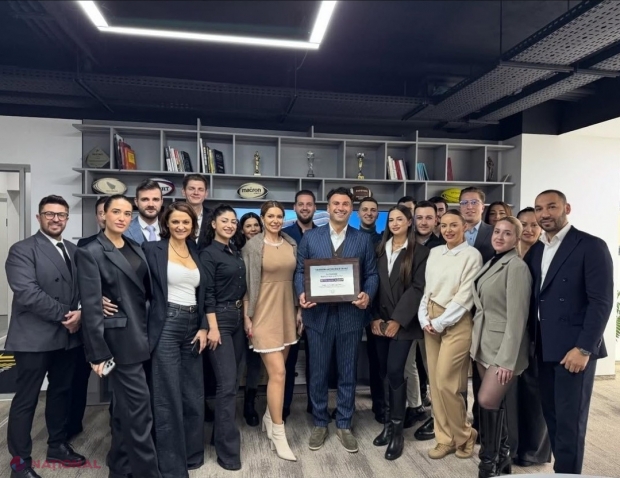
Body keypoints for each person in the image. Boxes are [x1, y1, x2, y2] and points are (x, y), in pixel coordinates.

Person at [524, 190, 613, 474]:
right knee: (552, 417)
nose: (545, 214)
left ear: (567, 208)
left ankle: (568, 474)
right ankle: (561, 471)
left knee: (570, 423)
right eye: (539, 208)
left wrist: (584, 348)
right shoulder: (537, 249)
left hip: (573, 349)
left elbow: (601, 302)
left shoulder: (590, 245)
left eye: (551, 207)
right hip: (543, 346)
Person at [75, 195, 160, 478]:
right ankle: (148, 472)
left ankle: (120, 467)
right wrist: (97, 353)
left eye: (127, 213)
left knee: (125, 409)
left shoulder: (135, 246)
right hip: (118, 341)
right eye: (116, 212)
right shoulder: (91, 251)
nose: (122, 218)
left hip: (142, 333)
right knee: (140, 411)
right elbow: (91, 307)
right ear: (104, 215)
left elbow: (144, 291)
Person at [5, 195, 86, 478]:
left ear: (67, 218)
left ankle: (57, 446)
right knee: (26, 400)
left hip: (68, 338)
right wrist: (68, 315)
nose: (56, 219)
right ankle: (20, 464)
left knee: (61, 393)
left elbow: (85, 290)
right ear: (39, 217)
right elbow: (28, 293)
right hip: (34, 338)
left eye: (61, 214)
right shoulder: (22, 250)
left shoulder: (74, 250)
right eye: (49, 214)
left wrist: (81, 313)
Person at [295, 187, 379, 454]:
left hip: (350, 316)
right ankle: (320, 422)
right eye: (335, 203)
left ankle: (344, 423)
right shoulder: (311, 237)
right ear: (327, 208)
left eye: (345, 204)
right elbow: (300, 271)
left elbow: (372, 274)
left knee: (347, 372)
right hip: (317, 316)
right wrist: (301, 293)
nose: (340, 207)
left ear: (351, 209)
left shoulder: (362, 240)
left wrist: (367, 295)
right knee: (318, 373)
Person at [142, 202, 208, 478]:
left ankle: (192, 454)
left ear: (193, 225)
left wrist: (204, 326)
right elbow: (135, 285)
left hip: (193, 325)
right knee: (167, 395)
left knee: (193, 394)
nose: (181, 226)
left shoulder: (195, 251)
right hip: (167, 324)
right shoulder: (152, 250)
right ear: (166, 224)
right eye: (176, 222)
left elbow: (203, 293)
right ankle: (171, 465)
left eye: (186, 222)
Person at [418, 209, 482, 460]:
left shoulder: (472, 255)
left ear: (465, 226)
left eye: (454, 225)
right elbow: (428, 289)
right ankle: (444, 439)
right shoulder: (435, 252)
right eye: (443, 225)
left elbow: (465, 296)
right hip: (431, 319)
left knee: (447, 383)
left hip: (456, 321)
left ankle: (465, 434)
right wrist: (424, 317)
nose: (448, 230)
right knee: (435, 385)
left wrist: (440, 322)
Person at [470, 217, 531, 477]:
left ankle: (488, 464)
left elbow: (518, 318)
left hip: (503, 350)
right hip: (484, 343)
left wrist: (507, 360)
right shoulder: (493, 261)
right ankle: (503, 455)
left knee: (486, 400)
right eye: (497, 231)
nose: (499, 236)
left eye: (507, 233)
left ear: (516, 238)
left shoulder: (516, 267)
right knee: (494, 404)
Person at [371, 205, 428, 460]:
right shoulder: (379, 249)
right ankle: (387, 425)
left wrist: (397, 320)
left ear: (409, 222)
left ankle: (397, 432)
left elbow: (417, 288)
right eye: (391, 219)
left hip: (403, 324)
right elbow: (372, 283)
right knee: (384, 372)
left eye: (400, 219)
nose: (395, 223)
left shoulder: (420, 252)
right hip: (379, 322)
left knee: (395, 371)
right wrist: (374, 317)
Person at [242, 201, 299, 461]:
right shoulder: (252, 247)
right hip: (263, 313)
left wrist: (299, 310)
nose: (275, 220)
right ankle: (278, 432)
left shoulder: (291, 243)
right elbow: (246, 286)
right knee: (278, 373)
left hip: (286, 312)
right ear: (262, 218)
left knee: (280, 374)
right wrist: (247, 317)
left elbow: (297, 279)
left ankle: (268, 416)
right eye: (270, 216)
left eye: (279, 216)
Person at [501, 207, 551, 468]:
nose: (529, 229)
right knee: (512, 394)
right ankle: (512, 447)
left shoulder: (545, 253)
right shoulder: (510, 252)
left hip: (539, 334)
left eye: (534, 225)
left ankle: (534, 452)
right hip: (513, 332)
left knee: (535, 394)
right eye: (524, 224)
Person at [200, 204, 247, 471]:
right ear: (213, 224)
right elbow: (207, 294)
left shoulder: (234, 251)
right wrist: (213, 327)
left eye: (233, 221)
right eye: (225, 221)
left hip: (238, 318)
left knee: (233, 382)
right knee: (227, 386)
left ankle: (218, 436)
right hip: (220, 319)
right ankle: (228, 452)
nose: (230, 225)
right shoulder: (208, 253)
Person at [66, 195, 109, 442]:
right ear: (97, 216)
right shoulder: (84, 245)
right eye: (101, 212)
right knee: (79, 375)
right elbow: (79, 282)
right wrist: (91, 301)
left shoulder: (130, 244)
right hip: (89, 319)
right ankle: (73, 426)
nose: (106, 216)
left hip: (118, 319)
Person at [459, 187, 493, 435]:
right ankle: (459, 422)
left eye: (474, 202)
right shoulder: (452, 231)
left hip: (485, 311)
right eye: (464, 203)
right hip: (457, 311)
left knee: (481, 370)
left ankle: (482, 423)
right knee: (458, 371)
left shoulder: (495, 233)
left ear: (483, 206)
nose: (469, 207)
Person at [282, 190, 317, 420]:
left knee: (316, 361)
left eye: (309, 204)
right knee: (288, 360)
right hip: (288, 305)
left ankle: (316, 407)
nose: (305, 207)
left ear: (315, 208)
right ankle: (283, 407)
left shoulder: (323, 234)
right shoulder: (284, 235)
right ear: (294, 207)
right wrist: (297, 307)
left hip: (317, 307)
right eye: (300, 204)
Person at [357, 196, 386, 424]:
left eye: (373, 210)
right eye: (365, 209)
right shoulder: (351, 238)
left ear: (378, 214)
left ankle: (380, 404)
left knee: (378, 359)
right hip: (349, 305)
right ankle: (344, 405)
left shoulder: (384, 240)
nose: (369, 213)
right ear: (358, 213)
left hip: (376, 306)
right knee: (347, 358)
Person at [237, 212, 264, 427]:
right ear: (242, 229)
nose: (253, 229)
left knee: (255, 361)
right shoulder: (235, 251)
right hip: (236, 312)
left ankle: (249, 403)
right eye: (248, 226)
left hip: (260, 311)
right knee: (238, 361)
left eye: (256, 225)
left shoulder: (266, 249)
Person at [125, 179, 163, 244]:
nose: (151, 204)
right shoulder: (124, 231)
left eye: (155, 199)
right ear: (136, 202)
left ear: (161, 202)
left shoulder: (169, 231)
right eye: (145, 199)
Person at [181, 174, 212, 250]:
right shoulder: (174, 215)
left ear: (206, 194)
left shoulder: (213, 216)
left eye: (200, 189)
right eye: (191, 189)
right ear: (183, 192)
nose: (196, 192)